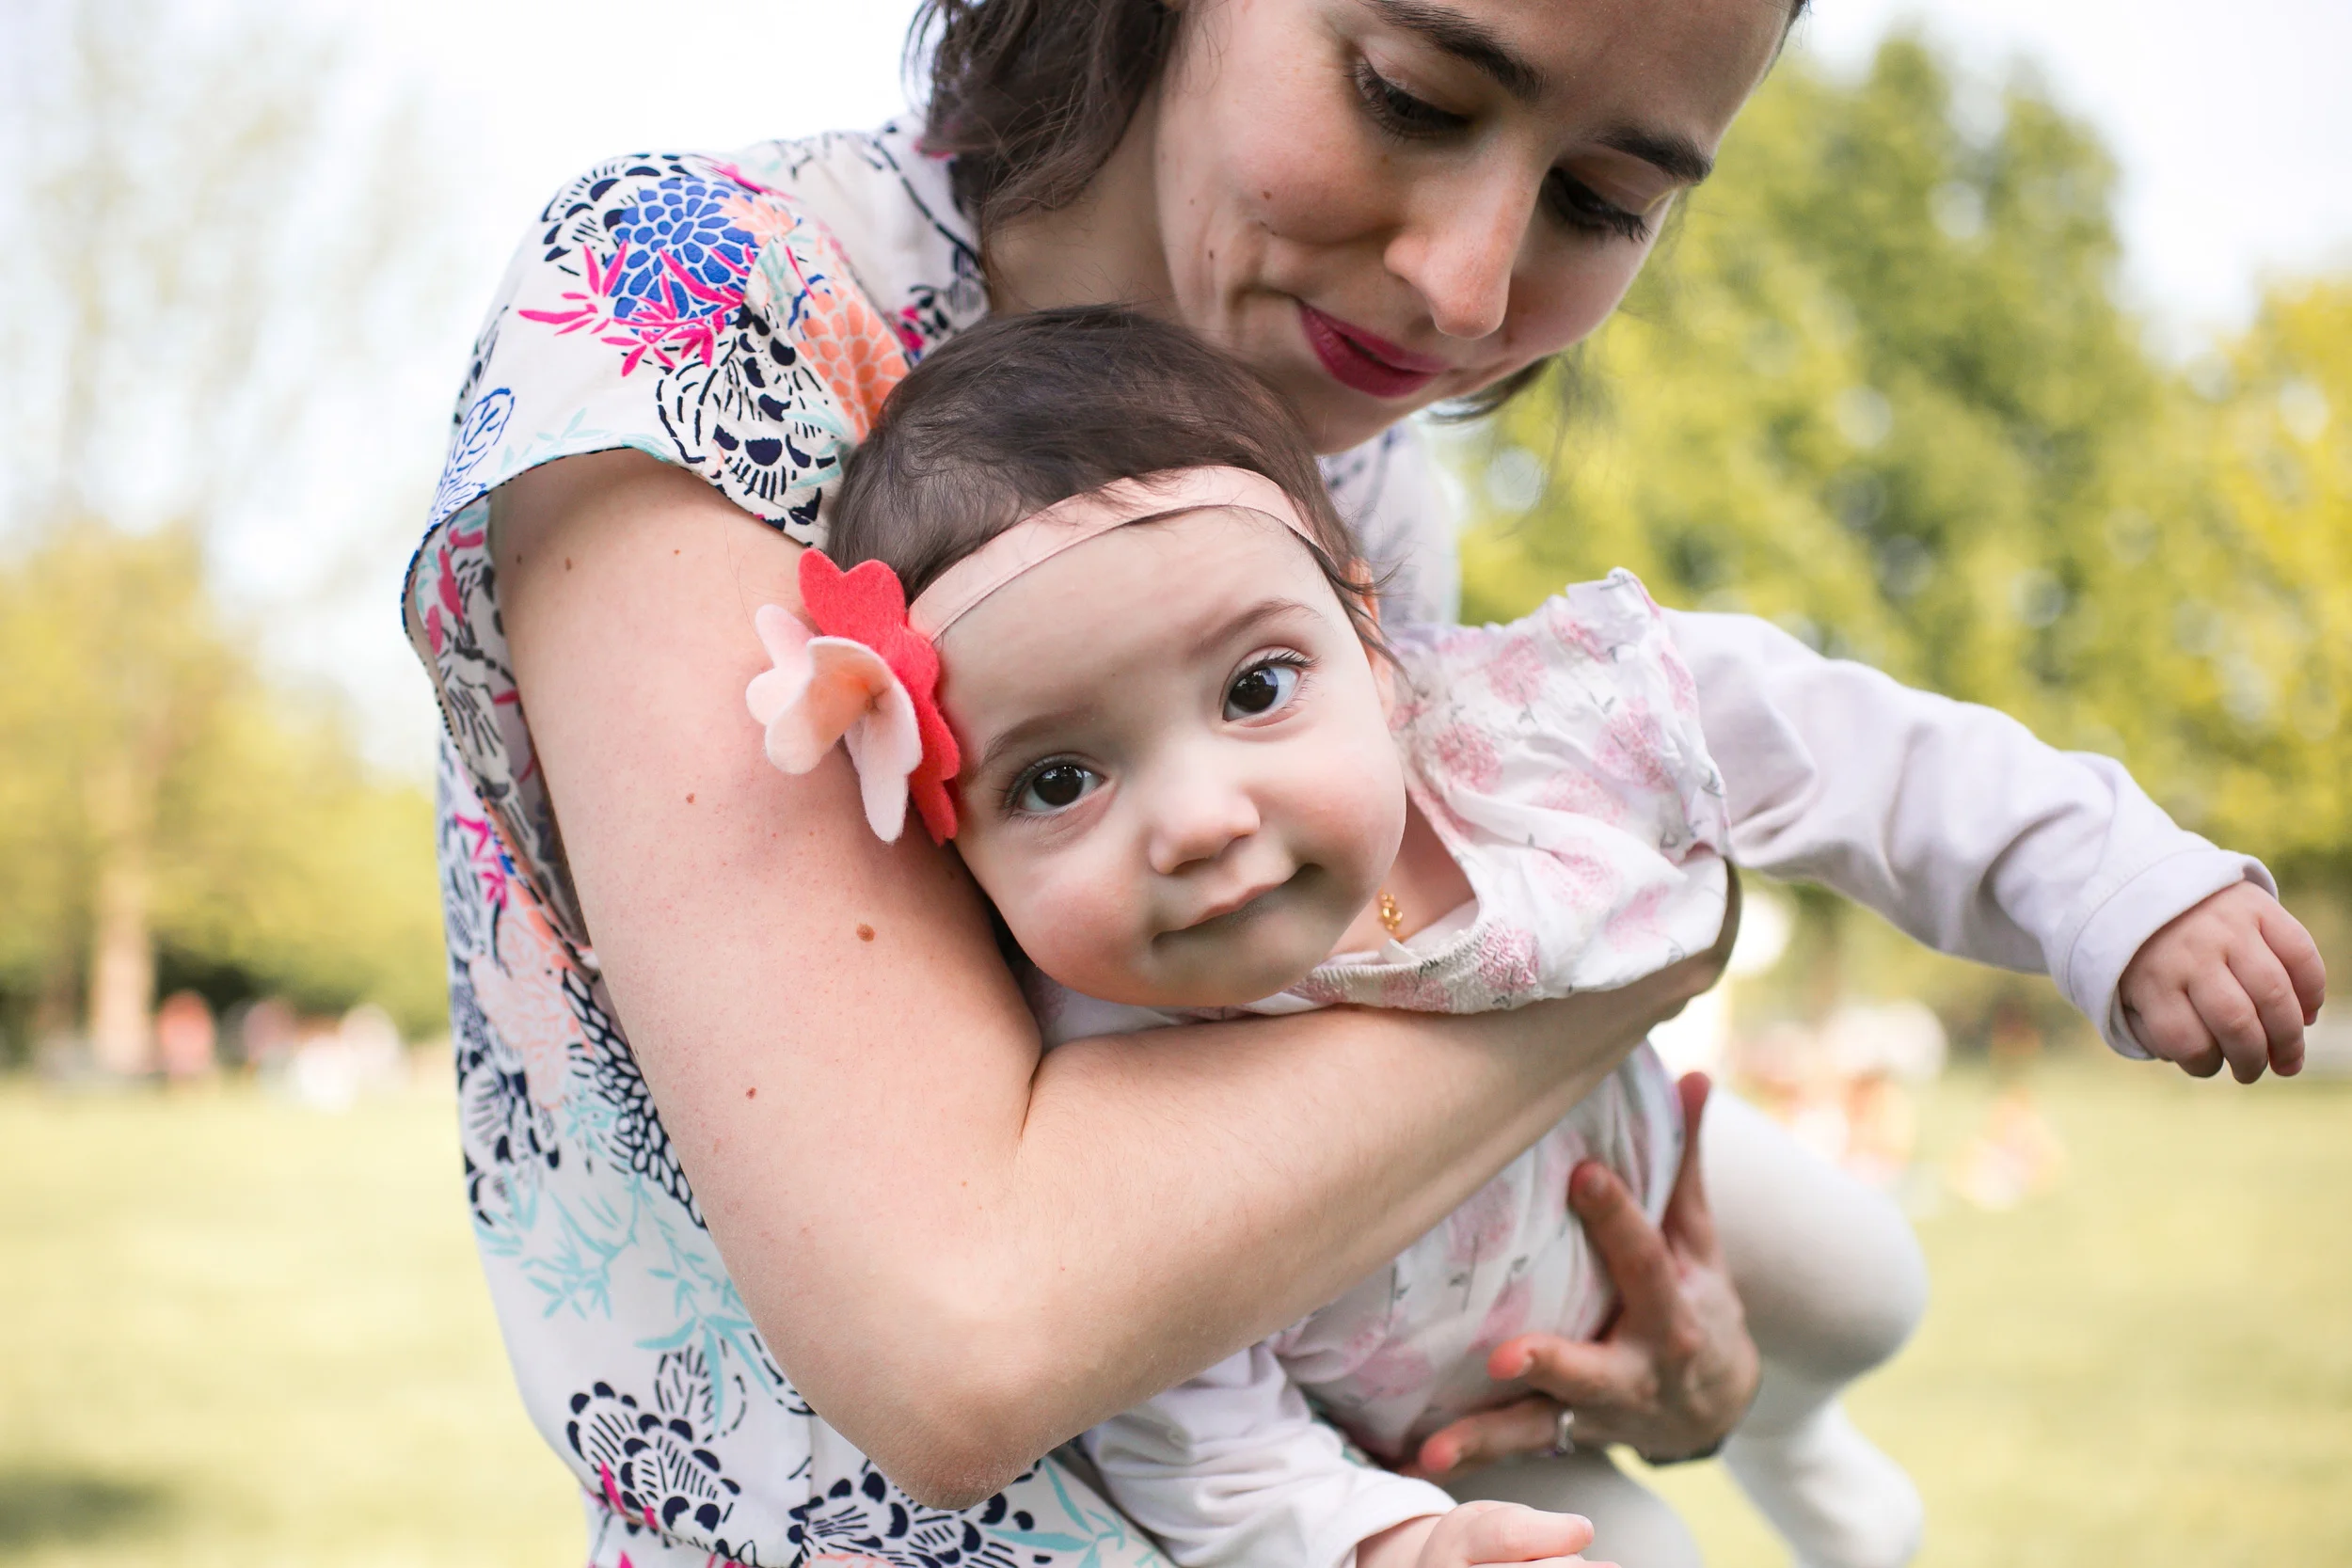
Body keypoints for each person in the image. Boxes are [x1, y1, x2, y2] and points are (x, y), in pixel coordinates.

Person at [402, 2, 2325, 1563]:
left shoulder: (1359, 463)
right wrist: (1649, 931)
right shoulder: (703, 305)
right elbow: (964, 1334)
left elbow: (1351, 1128)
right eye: (1409, 93)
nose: (1466, 288)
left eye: (1602, 200)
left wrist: (1630, 1358)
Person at [743, 304, 2323, 1568]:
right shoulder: (1090, 1086)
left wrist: (2116, 888)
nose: (1202, 818)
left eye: (1255, 687)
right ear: (955, 842)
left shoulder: (1538, 727)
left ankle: (1795, 1437)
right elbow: (1192, 1434)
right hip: (1447, 1417)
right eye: (1059, 779)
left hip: (1642, 1174)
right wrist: (1381, 1536)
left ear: (1371, 637)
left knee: (1866, 1283)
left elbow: (1854, 748)